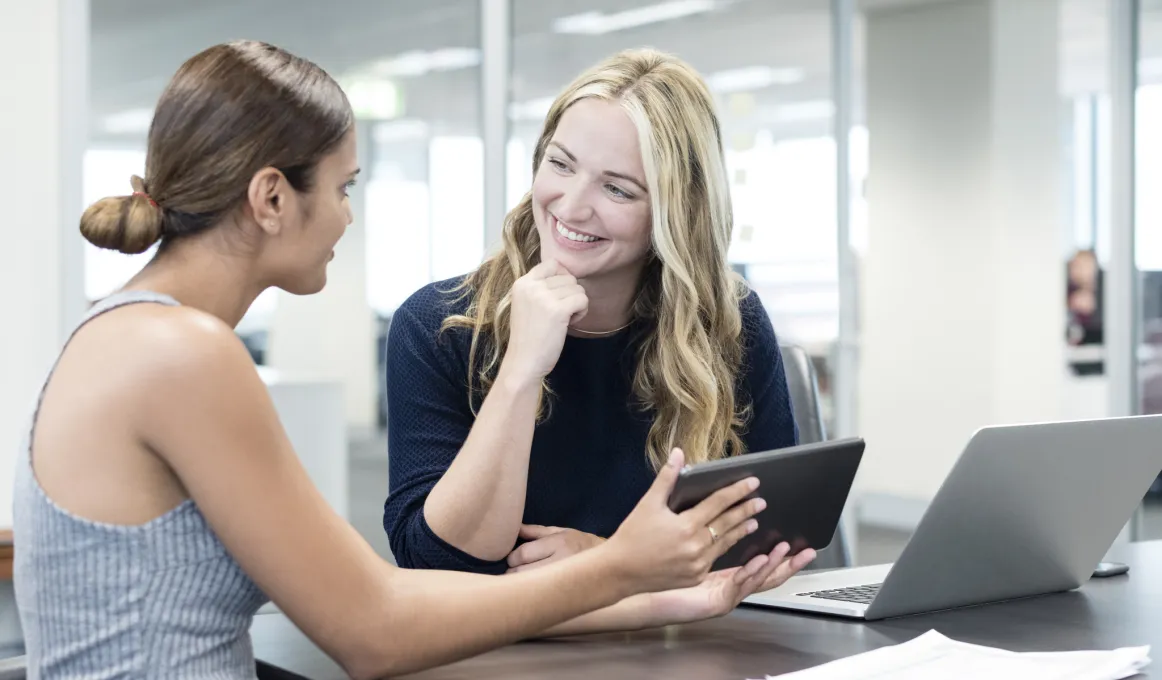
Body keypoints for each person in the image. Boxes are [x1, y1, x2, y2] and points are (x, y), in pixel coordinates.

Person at [14, 41, 791, 680]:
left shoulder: (142, 335)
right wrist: (626, 568)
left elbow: (372, 604)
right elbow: (376, 629)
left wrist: (658, 593)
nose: (350, 216)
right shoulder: (180, 355)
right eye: (345, 187)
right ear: (272, 199)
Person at [384, 47, 808, 581]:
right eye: (560, 164)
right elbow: (438, 564)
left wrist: (606, 561)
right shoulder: (438, 326)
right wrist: (521, 370)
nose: (571, 206)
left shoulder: (728, 320)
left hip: (678, 642)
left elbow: (773, 536)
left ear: (674, 214)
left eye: (616, 188)